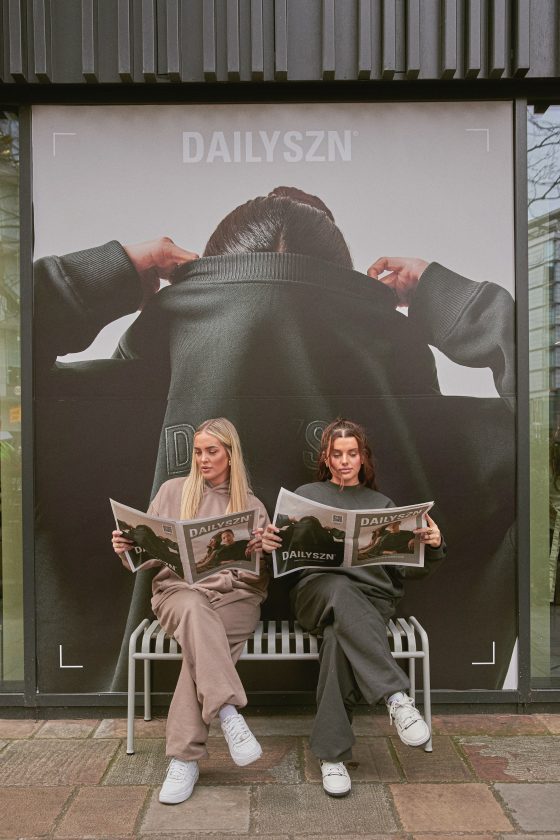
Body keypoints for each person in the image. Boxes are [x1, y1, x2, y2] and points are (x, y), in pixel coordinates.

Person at [34, 185, 515, 697]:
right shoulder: (430, 432)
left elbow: (11, 346)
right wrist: (452, 303)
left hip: (154, 696)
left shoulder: (95, 414)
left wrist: (103, 277)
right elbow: (543, 413)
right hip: (373, 700)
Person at [262, 418, 446, 798]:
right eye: (337, 454)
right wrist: (269, 547)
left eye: (352, 453)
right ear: (326, 458)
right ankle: (395, 696)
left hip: (370, 603)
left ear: (363, 457)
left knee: (336, 641)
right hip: (316, 594)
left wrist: (433, 544)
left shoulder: (382, 505)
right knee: (338, 585)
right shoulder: (307, 496)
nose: (344, 461)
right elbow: (282, 563)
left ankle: (332, 757)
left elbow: (408, 570)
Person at [112, 417, 269, 805]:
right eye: (198, 452)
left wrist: (261, 552)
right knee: (197, 613)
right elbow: (146, 558)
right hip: (179, 594)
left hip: (235, 597)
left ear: (230, 455)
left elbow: (257, 577)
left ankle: (184, 760)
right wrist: (127, 548)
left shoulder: (250, 506)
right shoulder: (172, 491)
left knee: (199, 651)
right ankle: (228, 714)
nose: (203, 459)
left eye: (212, 451)